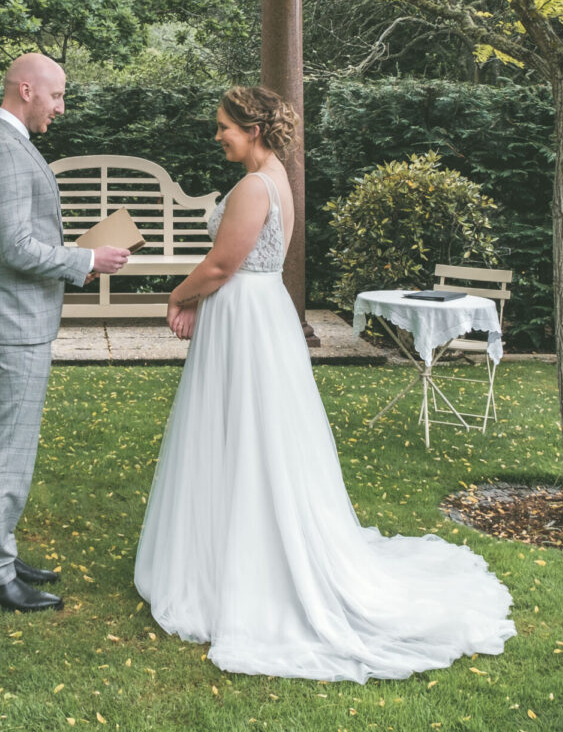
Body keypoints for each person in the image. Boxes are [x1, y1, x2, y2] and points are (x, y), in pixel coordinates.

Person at [134, 86, 515, 681]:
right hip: (259, 313)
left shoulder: (255, 186)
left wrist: (177, 297)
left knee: (246, 428)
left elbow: (221, 264)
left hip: (246, 314)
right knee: (254, 430)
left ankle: (247, 566)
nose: (218, 137)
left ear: (253, 129)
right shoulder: (277, 175)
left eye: (224, 128)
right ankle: (235, 548)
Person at [0, 53, 130, 613]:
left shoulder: (7, 142)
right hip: (16, 321)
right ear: (27, 89)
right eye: (58, 96)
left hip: (18, 317)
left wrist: (80, 260)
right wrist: (87, 255)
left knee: (1, 443)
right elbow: (14, 248)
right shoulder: (6, 150)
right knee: (8, 449)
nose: (61, 108)